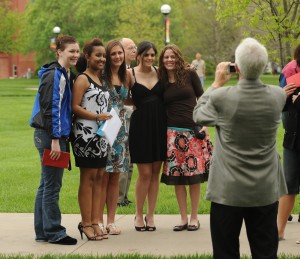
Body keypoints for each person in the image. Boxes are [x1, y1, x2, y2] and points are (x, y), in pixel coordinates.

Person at [193, 38, 287, 259]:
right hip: (265, 188)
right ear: (264, 66)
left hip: (228, 190)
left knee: (225, 251)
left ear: (237, 67)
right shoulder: (277, 95)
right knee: (265, 251)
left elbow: (198, 114)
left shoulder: (221, 97)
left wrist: (216, 83)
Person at [30, 35, 80, 245]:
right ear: (59, 52)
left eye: (77, 51)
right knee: (52, 186)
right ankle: (54, 232)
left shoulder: (65, 73)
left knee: (45, 184)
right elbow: (51, 109)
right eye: (71, 51)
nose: (76, 55)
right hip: (51, 136)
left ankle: (42, 231)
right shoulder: (55, 76)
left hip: (51, 135)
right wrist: (55, 140)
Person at [158, 44, 212, 231]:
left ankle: (194, 217)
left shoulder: (190, 75)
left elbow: (203, 99)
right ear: (162, 60)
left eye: (172, 56)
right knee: (178, 178)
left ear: (178, 57)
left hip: (192, 132)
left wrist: (205, 124)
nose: (169, 60)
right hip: (172, 134)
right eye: (166, 57)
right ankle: (182, 218)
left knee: (194, 177)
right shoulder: (161, 79)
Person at [71, 38, 112, 241]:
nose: (102, 58)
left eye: (104, 55)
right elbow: (75, 107)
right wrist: (96, 117)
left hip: (101, 136)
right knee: (87, 179)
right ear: (87, 57)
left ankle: (96, 222)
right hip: (85, 136)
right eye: (98, 55)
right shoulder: (83, 79)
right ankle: (85, 223)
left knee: (99, 178)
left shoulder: (102, 80)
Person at [128, 41, 167, 231]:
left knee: (155, 174)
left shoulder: (161, 72)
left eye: (153, 55)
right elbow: (121, 95)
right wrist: (137, 101)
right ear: (139, 56)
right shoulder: (130, 74)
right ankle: (138, 213)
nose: (150, 58)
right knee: (144, 173)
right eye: (146, 55)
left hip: (160, 125)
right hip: (141, 125)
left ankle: (150, 215)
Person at [98, 40, 130, 235]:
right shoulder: (101, 76)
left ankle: (111, 221)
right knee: (102, 176)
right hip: (103, 129)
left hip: (120, 132)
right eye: (113, 54)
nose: (117, 56)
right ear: (108, 56)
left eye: (120, 53)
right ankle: (98, 221)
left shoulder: (126, 76)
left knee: (115, 177)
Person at [277, 43, 300, 243]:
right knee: (288, 185)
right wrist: (286, 97)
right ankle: (278, 231)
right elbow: (279, 104)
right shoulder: (291, 72)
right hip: (293, 137)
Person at [117, 37, 137, 207]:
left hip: (132, 120)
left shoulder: (133, 70)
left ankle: (124, 197)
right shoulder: (116, 71)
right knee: (122, 158)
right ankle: (117, 198)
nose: (134, 50)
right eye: (130, 47)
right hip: (119, 121)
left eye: (135, 47)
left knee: (130, 159)